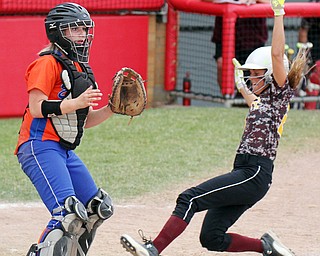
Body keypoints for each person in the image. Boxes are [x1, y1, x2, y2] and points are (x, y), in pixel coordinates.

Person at [120, 0, 307, 255]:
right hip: (244, 170)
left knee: (189, 198)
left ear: (269, 75)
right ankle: (266, 247)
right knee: (211, 238)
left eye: (254, 74)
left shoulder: (279, 92)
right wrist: (242, 87)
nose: (251, 78)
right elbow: (254, 102)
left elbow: (276, 55)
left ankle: (153, 249)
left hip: (254, 172)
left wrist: (278, 13)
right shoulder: (265, 103)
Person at [15, 3, 115, 255]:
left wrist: (112, 108)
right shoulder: (46, 63)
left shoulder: (78, 67)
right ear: (58, 32)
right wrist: (77, 103)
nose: (81, 35)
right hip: (38, 146)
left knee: (96, 208)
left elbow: (85, 120)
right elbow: (36, 107)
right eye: (74, 29)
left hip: (63, 149)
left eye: (83, 29)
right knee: (67, 213)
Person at [212, 0, 269, 97]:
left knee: (254, 73)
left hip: (252, 36)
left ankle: (252, 102)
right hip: (225, 32)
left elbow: (272, 2)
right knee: (222, 64)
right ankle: (228, 98)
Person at [298, 0, 320, 109]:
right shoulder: (312, 4)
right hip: (314, 51)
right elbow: (303, 31)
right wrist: (304, 54)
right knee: (313, 81)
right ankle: (309, 110)